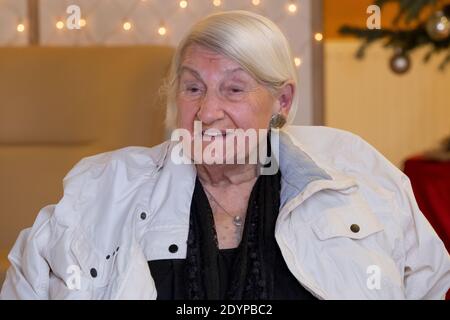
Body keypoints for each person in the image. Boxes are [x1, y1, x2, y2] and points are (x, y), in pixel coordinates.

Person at [1, 10, 449, 300]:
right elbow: (25, 285)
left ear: (282, 102)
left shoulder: (354, 173)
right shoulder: (102, 188)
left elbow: (429, 281)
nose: (207, 112)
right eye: (193, 87)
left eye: (233, 89)